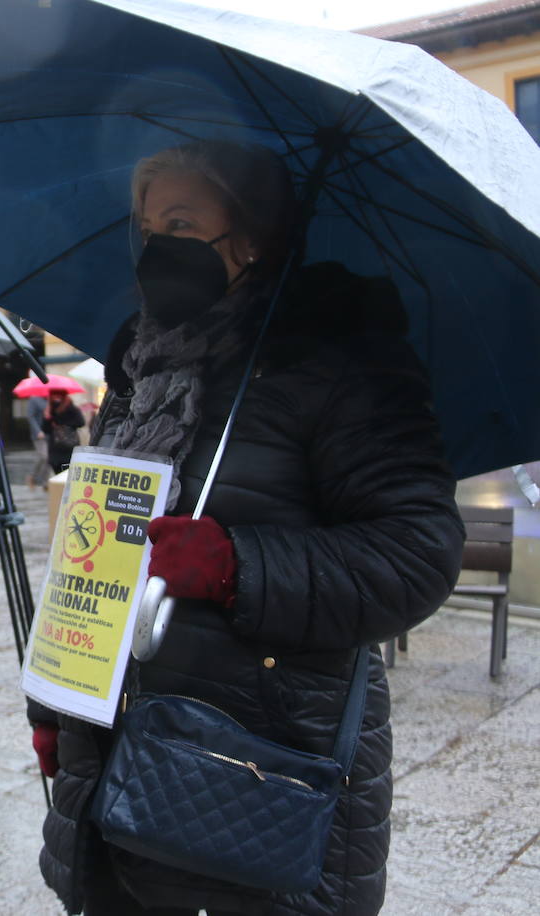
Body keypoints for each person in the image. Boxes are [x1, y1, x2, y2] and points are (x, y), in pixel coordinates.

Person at [28, 140, 464, 916]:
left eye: (184, 221)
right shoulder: (140, 363)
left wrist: (236, 565)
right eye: (148, 222)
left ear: (255, 237)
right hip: (114, 750)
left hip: (256, 767)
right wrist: (57, 703)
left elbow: (416, 551)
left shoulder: (338, 359)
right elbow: (94, 550)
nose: (158, 243)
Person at [40, 388, 85, 473]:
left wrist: (63, 424)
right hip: (55, 449)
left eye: (59, 394)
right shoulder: (49, 410)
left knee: (68, 474)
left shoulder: (71, 408)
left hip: (69, 447)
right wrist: (47, 418)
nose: (56, 397)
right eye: (54, 395)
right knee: (57, 472)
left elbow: (81, 422)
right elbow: (45, 429)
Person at [25, 394, 50, 487]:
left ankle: (45, 481)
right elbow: (30, 417)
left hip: (49, 433)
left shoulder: (50, 399)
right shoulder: (34, 399)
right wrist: (37, 431)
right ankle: (32, 475)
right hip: (39, 434)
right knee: (44, 456)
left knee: (48, 458)